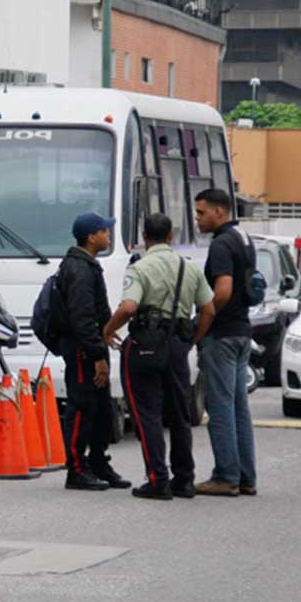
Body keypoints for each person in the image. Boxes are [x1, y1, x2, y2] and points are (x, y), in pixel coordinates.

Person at [102, 214, 215, 500]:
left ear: (144, 236)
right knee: (179, 413)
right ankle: (184, 479)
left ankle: (158, 480)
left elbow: (129, 307)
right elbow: (209, 310)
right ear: (171, 237)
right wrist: (191, 340)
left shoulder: (140, 268)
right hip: (178, 344)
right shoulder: (189, 269)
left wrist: (108, 329)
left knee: (147, 414)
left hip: (146, 345)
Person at [56, 212, 130, 491]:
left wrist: (109, 333)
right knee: (82, 407)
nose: (108, 234)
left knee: (100, 409)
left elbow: (97, 313)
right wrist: (97, 355)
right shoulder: (78, 269)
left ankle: (98, 462)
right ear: (91, 236)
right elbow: (82, 318)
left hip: (93, 345)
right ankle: (75, 469)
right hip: (82, 350)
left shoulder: (88, 265)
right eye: (104, 230)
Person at [194, 188, 257, 496]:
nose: (197, 219)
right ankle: (245, 476)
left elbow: (223, 291)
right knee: (238, 408)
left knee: (219, 406)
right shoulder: (244, 238)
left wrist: (203, 323)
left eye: (201, 213)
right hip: (243, 331)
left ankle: (225, 476)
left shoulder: (221, 244)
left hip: (221, 334)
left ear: (220, 211)